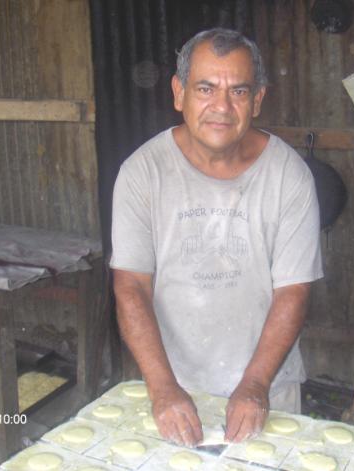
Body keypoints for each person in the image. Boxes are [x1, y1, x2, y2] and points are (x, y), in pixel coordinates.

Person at [110, 27, 323, 448]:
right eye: (205, 88)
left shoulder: (289, 176)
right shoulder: (142, 173)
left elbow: (293, 291)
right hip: (171, 392)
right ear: (179, 93)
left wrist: (255, 384)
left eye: (238, 91)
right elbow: (130, 286)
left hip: (267, 392)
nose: (221, 107)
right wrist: (163, 388)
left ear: (257, 100)